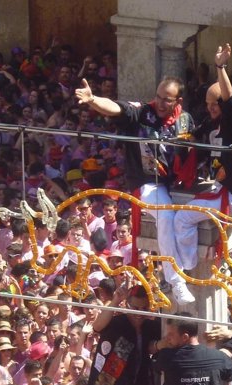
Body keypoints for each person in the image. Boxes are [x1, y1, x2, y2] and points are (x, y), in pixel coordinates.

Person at [75, 74, 196, 304]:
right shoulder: (142, 113)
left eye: (166, 100)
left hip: (177, 183)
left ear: (177, 101)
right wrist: (93, 100)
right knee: (167, 213)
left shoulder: (186, 120)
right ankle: (176, 279)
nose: (160, 103)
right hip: (147, 183)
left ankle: (186, 265)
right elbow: (116, 109)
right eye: (158, 97)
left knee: (195, 216)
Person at [173, 43, 232, 272]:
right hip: (225, 185)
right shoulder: (213, 122)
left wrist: (220, 67)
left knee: (182, 218)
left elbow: (229, 99)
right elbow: (194, 138)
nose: (210, 109)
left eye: (215, 105)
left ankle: (187, 267)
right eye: (208, 105)